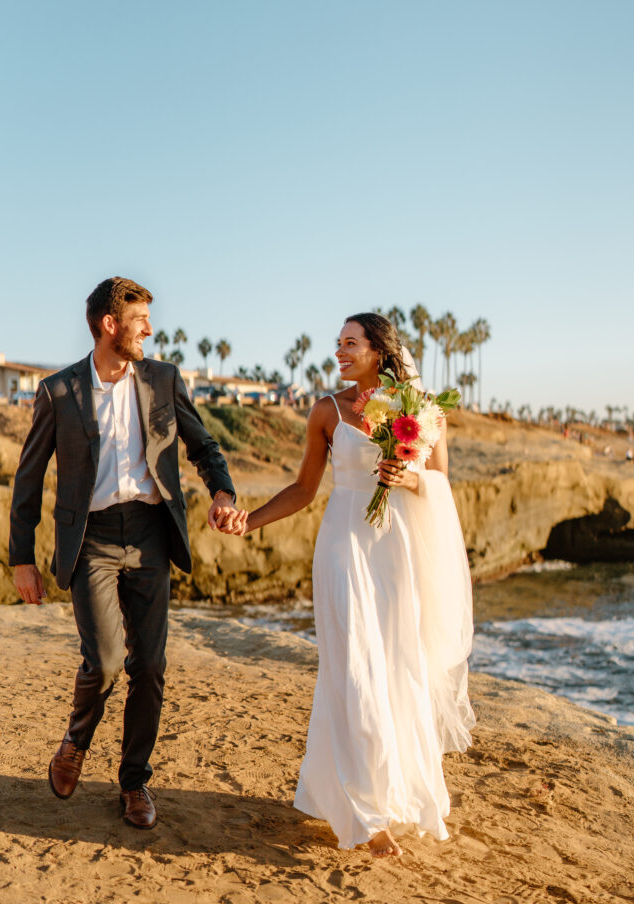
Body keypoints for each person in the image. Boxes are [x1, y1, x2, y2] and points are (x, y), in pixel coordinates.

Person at [222, 312, 474, 858]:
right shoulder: (326, 411)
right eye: (337, 344)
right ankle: (364, 817)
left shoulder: (422, 411)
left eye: (350, 343)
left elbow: (442, 483)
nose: (340, 351)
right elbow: (304, 488)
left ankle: (395, 792)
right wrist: (250, 519)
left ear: (379, 351)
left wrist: (410, 478)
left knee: (398, 668)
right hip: (344, 548)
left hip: (397, 551)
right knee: (356, 670)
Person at [9, 277, 245, 829]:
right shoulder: (59, 391)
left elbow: (201, 442)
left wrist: (222, 491)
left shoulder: (162, 379)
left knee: (152, 666)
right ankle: (75, 742)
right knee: (108, 659)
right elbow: (28, 477)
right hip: (89, 537)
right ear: (110, 325)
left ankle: (134, 783)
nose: (150, 330)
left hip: (150, 532)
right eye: (141, 320)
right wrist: (23, 558)